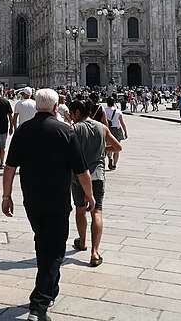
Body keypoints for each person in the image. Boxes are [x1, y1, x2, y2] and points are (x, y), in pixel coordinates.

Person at [2, 88, 94, 321]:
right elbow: (82, 171)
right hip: (57, 199)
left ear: (36, 106)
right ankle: (38, 306)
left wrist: (6, 196)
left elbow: (10, 167)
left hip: (31, 200)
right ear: (56, 108)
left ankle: (50, 290)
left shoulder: (23, 131)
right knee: (54, 250)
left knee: (43, 242)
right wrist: (89, 196)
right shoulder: (65, 131)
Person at [68, 99, 122, 267]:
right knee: (97, 212)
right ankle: (94, 252)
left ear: (77, 113)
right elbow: (118, 147)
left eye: (71, 113)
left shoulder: (73, 129)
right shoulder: (102, 127)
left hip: (78, 176)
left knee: (80, 210)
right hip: (97, 176)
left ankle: (82, 242)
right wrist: (104, 150)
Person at [104, 97, 127, 170]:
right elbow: (122, 123)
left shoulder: (104, 110)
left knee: (108, 146)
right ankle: (114, 164)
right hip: (117, 129)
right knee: (117, 147)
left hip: (108, 129)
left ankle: (109, 157)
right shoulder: (118, 111)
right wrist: (125, 132)